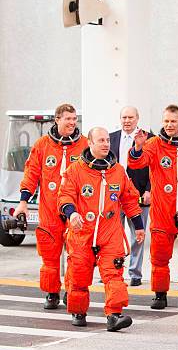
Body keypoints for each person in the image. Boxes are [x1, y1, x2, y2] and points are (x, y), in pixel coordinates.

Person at [58, 127, 143, 331]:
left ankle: (114, 315)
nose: (106, 144)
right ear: (90, 143)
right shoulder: (75, 171)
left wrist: (138, 226)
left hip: (109, 232)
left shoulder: (118, 171)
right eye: (100, 140)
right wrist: (72, 213)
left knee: (114, 273)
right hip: (82, 232)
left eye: (107, 140)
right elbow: (65, 196)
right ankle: (78, 310)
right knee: (79, 273)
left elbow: (130, 199)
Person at [129, 105, 178, 311]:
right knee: (160, 254)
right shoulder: (154, 144)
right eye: (166, 121)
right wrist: (137, 148)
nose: (169, 125)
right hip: (163, 208)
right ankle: (160, 293)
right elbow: (136, 164)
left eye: (173, 121)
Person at [13, 103, 88, 310]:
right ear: (57, 120)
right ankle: (52, 293)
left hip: (75, 209)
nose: (72, 123)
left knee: (77, 253)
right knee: (49, 254)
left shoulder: (84, 145)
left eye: (74, 119)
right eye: (68, 119)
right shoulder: (42, 145)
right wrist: (23, 202)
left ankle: (72, 292)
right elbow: (31, 175)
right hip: (49, 209)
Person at [110, 106, 154, 287]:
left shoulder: (149, 139)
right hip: (114, 194)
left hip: (139, 194)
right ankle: (114, 270)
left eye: (130, 117)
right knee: (113, 234)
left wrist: (149, 190)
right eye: (124, 117)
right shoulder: (111, 138)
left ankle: (135, 273)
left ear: (137, 118)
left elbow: (154, 168)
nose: (127, 121)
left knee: (138, 234)